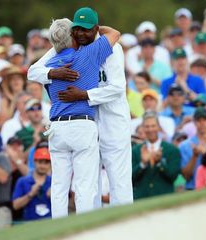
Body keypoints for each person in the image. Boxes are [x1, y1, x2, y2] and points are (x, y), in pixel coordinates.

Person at [28, 12, 133, 210]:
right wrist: (53, 72)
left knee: (118, 179)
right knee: (90, 181)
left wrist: (85, 95)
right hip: (87, 121)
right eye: (77, 28)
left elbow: (117, 88)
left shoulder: (112, 47)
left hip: (112, 119)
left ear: (96, 29)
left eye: (86, 29)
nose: (81, 33)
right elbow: (34, 70)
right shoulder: (73, 45)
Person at [132, 112, 181, 199]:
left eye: (153, 126)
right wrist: (142, 164)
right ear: (143, 128)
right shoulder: (135, 151)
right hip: (141, 200)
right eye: (147, 126)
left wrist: (159, 162)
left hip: (164, 199)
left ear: (159, 127)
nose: (150, 129)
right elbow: (130, 179)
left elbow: (173, 176)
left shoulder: (172, 150)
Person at [179, 107, 206, 190]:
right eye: (199, 120)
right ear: (194, 123)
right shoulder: (185, 146)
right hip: (193, 188)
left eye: (204, 119)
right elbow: (185, 177)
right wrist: (195, 156)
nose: (202, 123)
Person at [12, 147, 51, 221]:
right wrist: (30, 194)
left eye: (46, 163)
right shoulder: (23, 181)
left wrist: (55, 196)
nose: (43, 166)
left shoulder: (54, 182)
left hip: (51, 221)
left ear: (50, 164)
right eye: (40, 162)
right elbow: (15, 205)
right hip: (30, 222)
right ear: (34, 162)